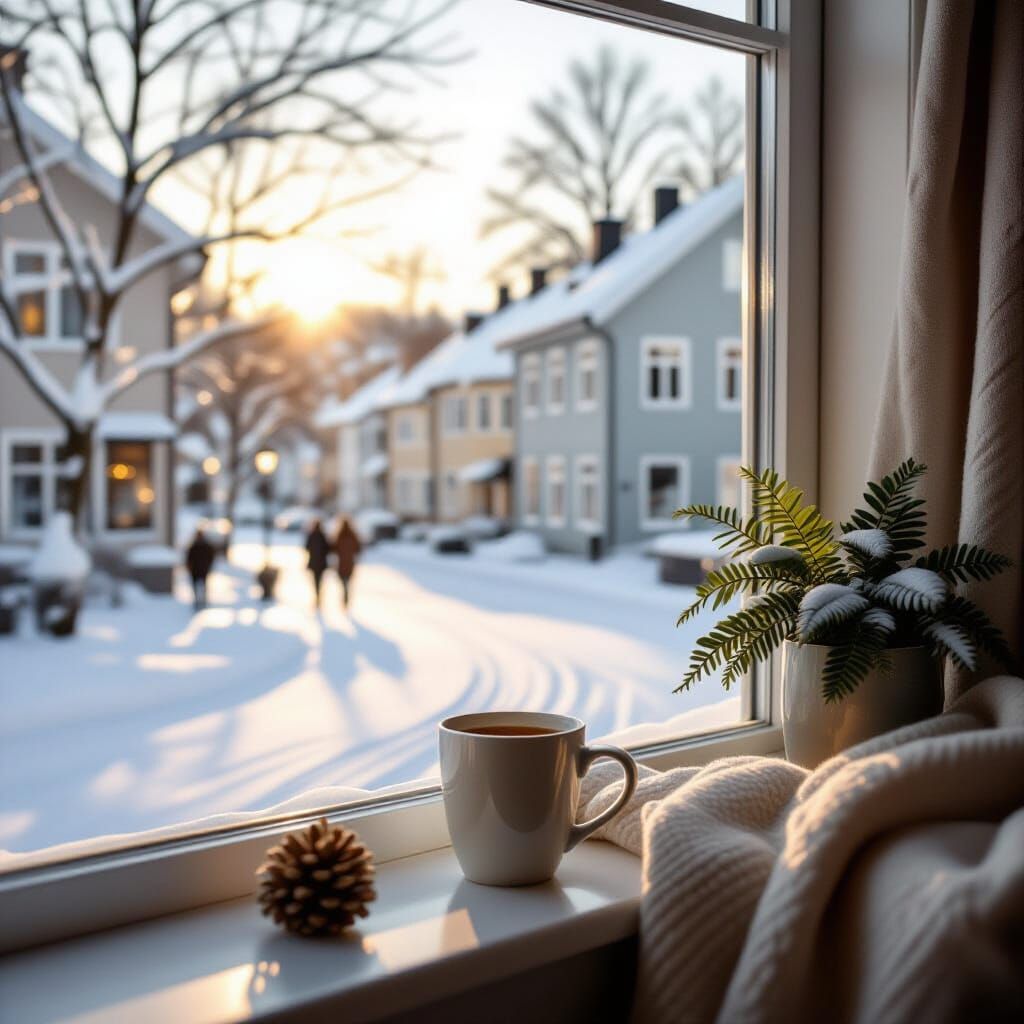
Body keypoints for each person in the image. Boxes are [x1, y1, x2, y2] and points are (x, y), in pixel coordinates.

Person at [333, 517, 362, 610]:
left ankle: (345, 596)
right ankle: (346, 596)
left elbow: (334, 549)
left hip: (341, 564)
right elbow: (358, 548)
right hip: (350, 563)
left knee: (343, 582)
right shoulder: (353, 536)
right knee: (347, 582)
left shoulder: (339, 536)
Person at [185, 529, 216, 611]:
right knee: (198, 586)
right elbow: (189, 558)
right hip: (197, 570)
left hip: (200, 570)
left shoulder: (202, 546)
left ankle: (202, 601)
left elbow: (211, 557)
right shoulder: (195, 546)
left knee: (201, 586)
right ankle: (199, 601)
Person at [305, 519, 330, 607]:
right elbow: (328, 549)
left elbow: (306, 547)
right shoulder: (323, 536)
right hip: (321, 563)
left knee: (315, 580)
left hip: (314, 562)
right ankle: (318, 594)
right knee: (319, 580)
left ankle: (317, 595)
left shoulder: (311, 535)